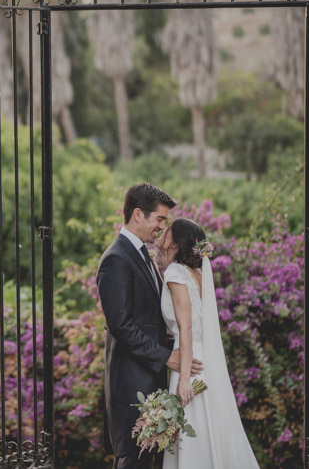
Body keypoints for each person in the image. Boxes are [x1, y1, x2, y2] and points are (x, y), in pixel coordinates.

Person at [97, 183, 203, 468]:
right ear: (138, 215)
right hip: (132, 385)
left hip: (150, 381)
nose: (162, 227)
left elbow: (153, 321)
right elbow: (121, 325)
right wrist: (167, 357)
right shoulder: (116, 259)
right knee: (134, 462)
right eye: (159, 219)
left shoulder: (144, 256)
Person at [157, 218, 259, 468]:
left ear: (174, 241)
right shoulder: (196, 273)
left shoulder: (174, 273)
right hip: (203, 357)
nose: (163, 231)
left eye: (167, 230)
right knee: (204, 427)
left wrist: (183, 379)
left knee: (193, 431)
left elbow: (186, 326)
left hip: (189, 362)